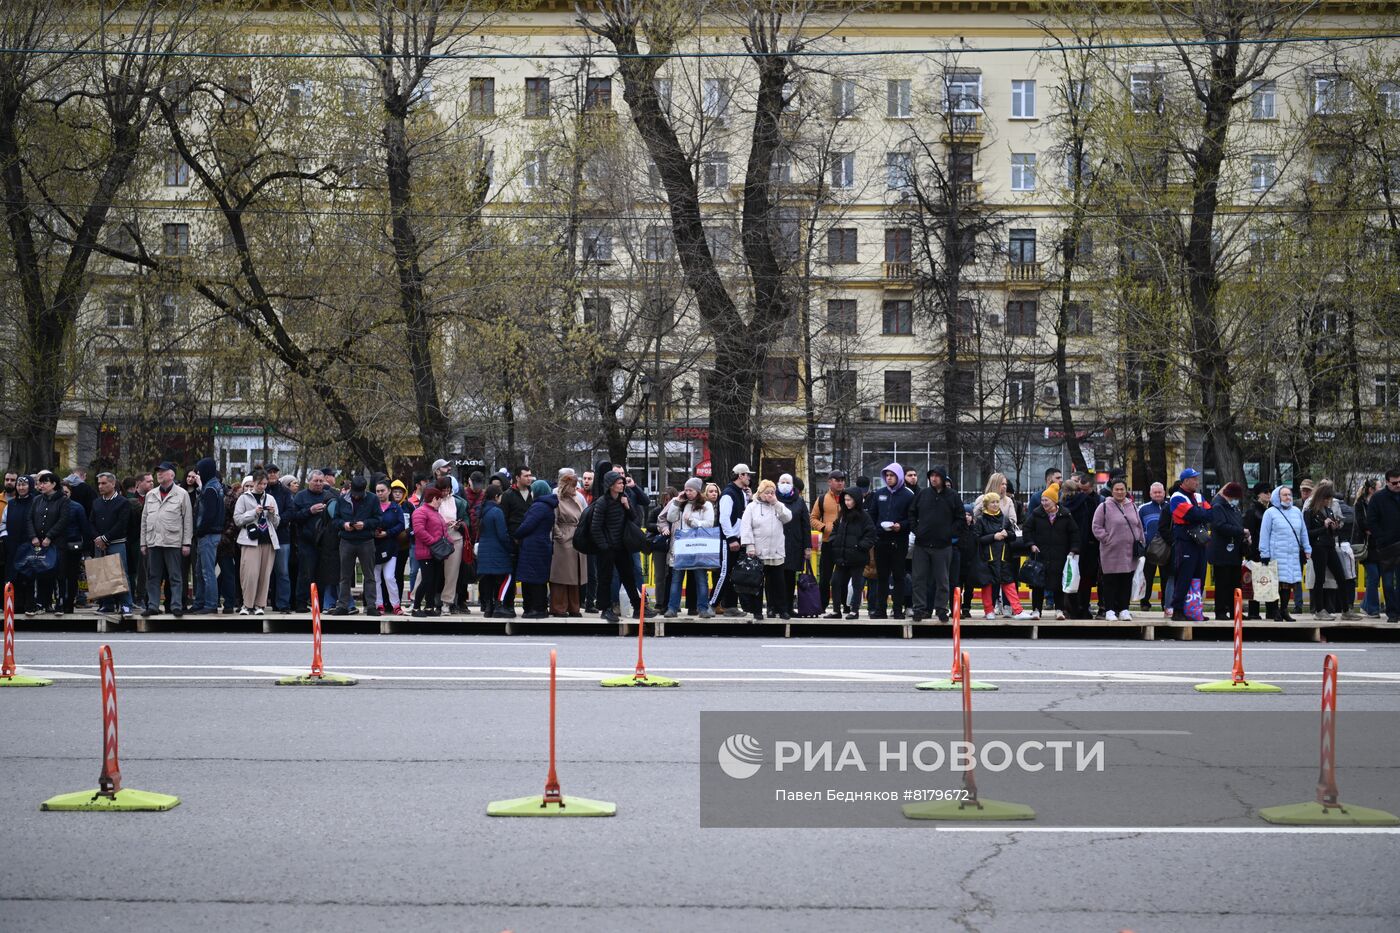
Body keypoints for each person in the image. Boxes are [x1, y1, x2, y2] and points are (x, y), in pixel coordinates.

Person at [910, 466, 963, 622]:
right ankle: (919, 608)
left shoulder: (953, 496)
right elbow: (912, 513)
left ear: (943, 477)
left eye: (937, 476)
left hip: (943, 545)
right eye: (931, 476)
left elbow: (960, 518)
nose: (933, 479)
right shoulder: (923, 494)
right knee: (919, 578)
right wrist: (916, 530)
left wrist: (949, 533)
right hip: (922, 544)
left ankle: (941, 609)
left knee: (942, 580)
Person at [140, 463, 192, 617]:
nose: (159, 474)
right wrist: (143, 542)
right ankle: (153, 606)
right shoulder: (151, 494)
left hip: (173, 541)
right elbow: (144, 519)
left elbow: (187, 521)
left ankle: (176, 605)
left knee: (175, 576)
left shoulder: (182, 494)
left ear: (172, 475)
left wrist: (186, 543)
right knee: (153, 576)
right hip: (153, 541)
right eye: (158, 471)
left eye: (163, 471)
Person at [591, 471, 643, 623]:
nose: (622, 485)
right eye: (619, 483)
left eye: (622, 483)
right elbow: (596, 527)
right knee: (605, 578)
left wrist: (627, 506)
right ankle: (605, 609)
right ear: (611, 485)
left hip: (621, 546)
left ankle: (638, 607)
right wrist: (604, 546)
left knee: (628, 577)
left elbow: (634, 518)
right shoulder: (602, 502)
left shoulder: (623, 499)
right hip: (607, 548)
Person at [865, 462, 914, 619]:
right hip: (881, 540)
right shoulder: (879, 493)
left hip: (899, 541)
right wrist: (877, 528)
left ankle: (898, 609)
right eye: (887, 475)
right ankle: (881, 609)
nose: (889, 478)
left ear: (898, 476)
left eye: (892, 475)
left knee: (899, 576)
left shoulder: (908, 495)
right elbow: (872, 515)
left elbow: (912, 518)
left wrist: (901, 526)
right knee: (882, 576)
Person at [740, 479, 793, 620]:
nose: (770, 495)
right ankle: (757, 611)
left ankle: (782, 610)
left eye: (772, 492)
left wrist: (776, 503)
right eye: (767, 492)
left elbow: (788, 517)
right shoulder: (752, 507)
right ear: (761, 492)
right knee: (757, 583)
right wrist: (749, 546)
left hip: (776, 551)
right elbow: (746, 527)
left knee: (778, 583)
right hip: (758, 551)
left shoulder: (778, 505)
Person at [1091, 478, 1144, 621]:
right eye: (1117, 489)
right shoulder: (1104, 507)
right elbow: (1096, 527)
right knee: (1110, 581)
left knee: (1126, 581)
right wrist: (1107, 539)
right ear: (1112, 491)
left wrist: (1140, 541)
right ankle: (1109, 610)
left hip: (1129, 551)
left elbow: (1139, 525)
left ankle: (1124, 610)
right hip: (1111, 552)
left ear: (1126, 491)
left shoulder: (1132, 506)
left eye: (1122, 489)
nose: (1120, 492)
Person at [974, 492, 1033, 619]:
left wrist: (1008, 534)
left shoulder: (1005, 519)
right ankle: (988, 610)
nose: (995, 505)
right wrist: (993, 537)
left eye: (997, 502)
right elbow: (977, 539)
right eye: (992, 502)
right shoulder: (981, 520)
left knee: (1009, 583)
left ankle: (1018, 610)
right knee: (987, 585)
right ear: (986, 505)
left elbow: (1013, 535)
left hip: (1004, 557)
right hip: (987, 558)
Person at [662, 478, 714, 618]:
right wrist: (676, 502)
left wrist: (692, 521)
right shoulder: (681, 503)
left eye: (691, 490)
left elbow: (709, 523)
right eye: (686, 490)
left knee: (701, 579)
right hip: (681, 546)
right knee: (676, 579)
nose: (688, 492)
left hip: (697, 546)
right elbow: (671, 518)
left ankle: (703, 608)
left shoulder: (706, 505)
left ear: (697, 490)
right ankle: (672, 608)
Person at [1026, 483, 1078, 620]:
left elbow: (1074, 533)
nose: (1044, 503)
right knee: (1038, 584)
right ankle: (1036, 610)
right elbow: (1027, 529)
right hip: (1041, 554)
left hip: (1059, 555)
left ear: (1054, 501)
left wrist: (1073, 550)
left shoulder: (1065, 515)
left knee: (1058, 584)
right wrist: (1031, 544)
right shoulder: (1036, 514)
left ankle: (1059, 610)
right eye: (1042, 500)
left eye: (1046, 500)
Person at [330, 475, 381, 616]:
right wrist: (344, 525)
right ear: (350, 488)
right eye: (355, 494)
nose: (357, 497)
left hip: (366, 541)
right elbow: (335, 520)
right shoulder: (342, 499)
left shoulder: (372, 499)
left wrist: (365, 524)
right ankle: (342, 605)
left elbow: (378, 519)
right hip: (347, 541)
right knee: (344, 576)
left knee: (369, 575)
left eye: (360, 494)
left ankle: (371, 606)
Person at [1259, 484, 1310, 621]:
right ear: (1277, 497)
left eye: (1289, 495)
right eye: (1284, 495)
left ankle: (1284, 610)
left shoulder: (1297, 512)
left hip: (1292, 555)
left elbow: (1303, 532)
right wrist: (1264, 553)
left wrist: (1307, 548)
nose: (1288, 497)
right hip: (1276, 554)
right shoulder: (1270, 513)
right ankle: (1275, 611)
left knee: (1288, 584)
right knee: (1276, 585)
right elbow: (1264, 534)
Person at [232, 470, 280, 615]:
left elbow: (276, 522)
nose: (262, 486)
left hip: (268, 540)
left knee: (265, 574)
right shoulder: (244, 498)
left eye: (265, 484)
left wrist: (271, 513)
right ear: (254, 482)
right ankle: (247, 605)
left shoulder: (271, 498)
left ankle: (260, 605)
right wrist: (253, 512)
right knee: (249, 573)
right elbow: (238, 520)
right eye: (260, 484)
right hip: (250, 540)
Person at [1304, 480, 1353, 621]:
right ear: (1320, 498)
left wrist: (1334, 528)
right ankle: (1319, 610)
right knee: (1320, 579)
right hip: (1318, 548)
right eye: (1326, 499)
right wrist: (1324, 527)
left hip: (1330, 545)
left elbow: (1332, 532)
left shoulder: (1329, 510)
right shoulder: (1310, 512)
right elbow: (1308, 533)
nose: (1328, 501)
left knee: (1341, 576)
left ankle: (1346, 610)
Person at [824, 489, 877, 620]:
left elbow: (871, 535)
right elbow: (835, 530)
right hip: (842, 556)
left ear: (856, 500)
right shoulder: (842, 515)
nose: (847, 503)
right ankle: (836, 610)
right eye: (845, 500)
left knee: (856, 584)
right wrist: (834, 541)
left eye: (849, 500)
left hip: (857, 557)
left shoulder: (864, 516)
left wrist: (859, 546)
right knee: (835, 582)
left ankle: (854, 610)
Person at [288, 470, 336, 612]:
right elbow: (293, 516)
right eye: (316, 481)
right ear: (309, 481)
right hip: (306, 541)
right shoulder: (300, 497)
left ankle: (321, 604)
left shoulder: (329, 496)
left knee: (322, 575)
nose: (318, 484)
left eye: (321, 481)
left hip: (325, 542)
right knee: (305, 573)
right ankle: (301, 603)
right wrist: (310, 511)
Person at [1167, 468, 1211, 621]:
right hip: (1185, 542)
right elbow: (1193, 514)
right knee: (1184, 576)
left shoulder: (1198, 496)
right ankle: (1178, 609)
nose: (1197, 482)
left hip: (1199, 542)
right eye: (1194, 479)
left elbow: (1209, 514)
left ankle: (1195, 609)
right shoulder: (1176, 497)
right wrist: (1200, 514)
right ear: (1185, 481)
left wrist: (1199, 514)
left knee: (1199, 576)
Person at [511, 479, 558, 619]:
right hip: (541, 546)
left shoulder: (539, 506)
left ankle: (535, 609)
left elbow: (528, 525)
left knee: (532, 579)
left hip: (533, 547)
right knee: (539, 579)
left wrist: (516, 534)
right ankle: (540, 608)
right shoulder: (548, 505)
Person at [89, 472, 134, 616]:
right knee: (102, 572)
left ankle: (126, 604)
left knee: (119, 573)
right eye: (99, 483)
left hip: (116, 542)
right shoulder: (96, 502)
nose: (100, 486)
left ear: (113, 484)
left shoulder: (122, 502)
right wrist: (97, 537)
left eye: (104, 483)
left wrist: (105, 538)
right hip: (99, 542)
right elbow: (91, 522)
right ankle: (107, 604)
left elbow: (122, 524)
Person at [711, 464, 753, 617]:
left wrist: (749, 499)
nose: (749, 478)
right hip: (729, 540)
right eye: (747, 475)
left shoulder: (741, 493)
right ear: (740, 475)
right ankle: (712, 604)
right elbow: (724, 519)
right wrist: (731, 538)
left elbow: (743, 516)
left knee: (733, 574)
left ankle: (730, 606)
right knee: (724, 573)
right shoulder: (728, 493)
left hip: (738, 539)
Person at [25, 471, 70, 613]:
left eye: (45, 482)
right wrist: (33, 536)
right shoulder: (37, 500)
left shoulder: (63, 500)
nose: (41, 485)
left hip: (56, 543)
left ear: (54, 484)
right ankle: (41, 603)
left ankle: (60, 602)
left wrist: (50, 536)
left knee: (58, 573)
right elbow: (29, 519)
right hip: (38, 543)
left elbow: (63, 520)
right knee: (40, 572)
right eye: (40, 482)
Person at [1060, 473, 1102, 618]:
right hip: (1087, 545)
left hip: (1068, 546)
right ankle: (1084, 608)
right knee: (1085, 579)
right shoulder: (1089, 501)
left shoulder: (1062, 505)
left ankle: (1069, 608)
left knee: (1069, 577)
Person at [549, 468, 589, 617]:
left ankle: (574, 607)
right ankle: (558, 607)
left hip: (576, 538)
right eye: (573, 485)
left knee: (574, 575)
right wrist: (560, 536)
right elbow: (552, 520)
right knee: (561, 575)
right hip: (564, 540)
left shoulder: (578, 497)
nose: (576, 488)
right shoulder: (556, 497)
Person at [1208, 482, 1249, 620]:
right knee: (1222, 583)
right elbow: (1220, 526)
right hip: (1222, 551)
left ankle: (1235, 610)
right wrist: (1241, 531)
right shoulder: (1218, 506)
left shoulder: (1233, 507)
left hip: (1234, 551)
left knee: (1235, 583)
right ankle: (1220, 611)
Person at [809, 469, 846, 614]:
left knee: (844, 576)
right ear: (829, 482)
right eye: (837, 480)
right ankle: (822, 605)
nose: (840, 482)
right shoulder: (822, 499)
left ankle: (845, 605)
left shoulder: (848, 497)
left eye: (842, 479)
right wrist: (823, 528)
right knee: (825, 577)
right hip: (828, 542)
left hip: (845, 543)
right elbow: (813, 518)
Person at [191, 457, 225, 614]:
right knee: (200, 571)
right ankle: (199, 602)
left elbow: (208, 514)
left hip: (208, 535)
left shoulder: (210, 489)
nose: (197, 474)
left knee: (207, 572)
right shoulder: (214, 486)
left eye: (199, 470)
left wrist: (199, 530)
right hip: (209, 534)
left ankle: (210, 604)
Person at [1366, 468, 1400, 623]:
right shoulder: (1378, 498)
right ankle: (1392, 612)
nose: (1398, 485)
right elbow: (1371, 521)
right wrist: (1382, 538)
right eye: (1394, 483)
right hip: (1387, 546)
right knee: (1387, 581)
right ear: (1387, 482)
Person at [776, 474, 811, 617]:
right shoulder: (773, 499)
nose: (784, 484)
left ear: (792, 485)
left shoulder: (800, 501)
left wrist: (807, 547)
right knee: (775, 577)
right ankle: (775, 607)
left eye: (787, 482)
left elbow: (806, 525)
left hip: (794, 544)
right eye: (782, 482)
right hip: (776, 544)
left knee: (790, 577)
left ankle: (789, 608)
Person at [475, 485, 513, 618]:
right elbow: (502, 534)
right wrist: (510, 548)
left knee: (488, 580)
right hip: (497, 550)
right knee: (506, 577)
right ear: (497, 496)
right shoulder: (497, 511)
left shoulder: (482, 511)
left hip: (484, 550)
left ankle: (489, 608)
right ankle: (499, 605)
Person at [410, 487, 447, 617]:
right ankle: (415, 608)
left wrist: (449, 543)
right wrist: (434, 542)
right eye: (440, 499)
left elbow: (443, 530)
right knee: (427, 580)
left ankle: (429, 606)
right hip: (425, 552)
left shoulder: (436, 513)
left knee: (434, 580)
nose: (441, 502)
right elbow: (419, 531)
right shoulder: (420, 512)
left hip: (436, 553)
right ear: (435, 498)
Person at [58, 479, 94, 613]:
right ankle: (60, 601)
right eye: (61, 492)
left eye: (66, 492)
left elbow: (85, 528)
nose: (63, 494)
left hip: (73, 547)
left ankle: (69, 602)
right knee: (59, 576)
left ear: (70, 493)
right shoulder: (54, 505)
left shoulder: (77, 507)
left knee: (72, 576)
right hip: (57, 546)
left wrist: (86, 550)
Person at [372, 480, 406, 615]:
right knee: (375, 578)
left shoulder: (396, 507)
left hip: (391, 546)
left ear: (388, 491)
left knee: (389, 577)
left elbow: (401, 525)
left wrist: (388, 533)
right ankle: (379, 604)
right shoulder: (372, 507)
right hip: (375, 547)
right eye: (378, 491)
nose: (380, 493)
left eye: (382, 490)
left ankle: (396, 605)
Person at [264, 464, 294, 612]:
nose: (272, 474)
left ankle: (283, 604)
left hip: (281, 536)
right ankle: (260, 603)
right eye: (269, 472)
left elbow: (290, 511)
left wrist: (277, 521)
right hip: (263, 536)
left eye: (275, 472)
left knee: (282, 572)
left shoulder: (285, 492)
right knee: (263, 572)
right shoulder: (261, 490)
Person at [1138, 482, 1171, 613]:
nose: (1158, 494)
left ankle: (1165, 604)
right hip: (1149, 549)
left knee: (1166, 578)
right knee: (1147, 577)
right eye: (1155, 492)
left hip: (1167, 549)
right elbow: (1138, 527)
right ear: (1150, 494)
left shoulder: (1170, 507)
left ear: (1164, 492)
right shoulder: (1143, 508)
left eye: (1160, 492)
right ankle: (1145, 603)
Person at [1242, 482, 1272, 619]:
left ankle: (1271, 610)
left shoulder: (1271, 510)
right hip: (1256, 551)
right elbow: (1249, 533)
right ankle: (1253, 612)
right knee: (1256, 582)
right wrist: (1250, 552)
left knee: (1268, 581)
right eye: (1265, 492)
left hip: (1269, 551)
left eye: (1270, 491)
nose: (1269, 494)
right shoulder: (1252, 510)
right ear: (1258, 494)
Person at [5, 476, 35, 614]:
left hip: (30, 544)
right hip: (12, 544)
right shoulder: (11, 504)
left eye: (24, 485)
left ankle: (29, 604)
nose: (21, 488)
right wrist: (4, 537)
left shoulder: (35, 501)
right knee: (13, 575)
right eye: (19, 485)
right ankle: (15, 606)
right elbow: (3, 523)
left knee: (28, 575)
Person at [391, 480, 414, 603]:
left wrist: (407, 533)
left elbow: (414, 523)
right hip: (389, 544)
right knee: (389, 575)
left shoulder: (408, 506)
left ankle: (397, 601)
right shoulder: (388, 505)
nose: (398, 494)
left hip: (403, 546)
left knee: (398, 574)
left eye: (400, 492)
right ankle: (387, 601)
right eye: (395, 492)